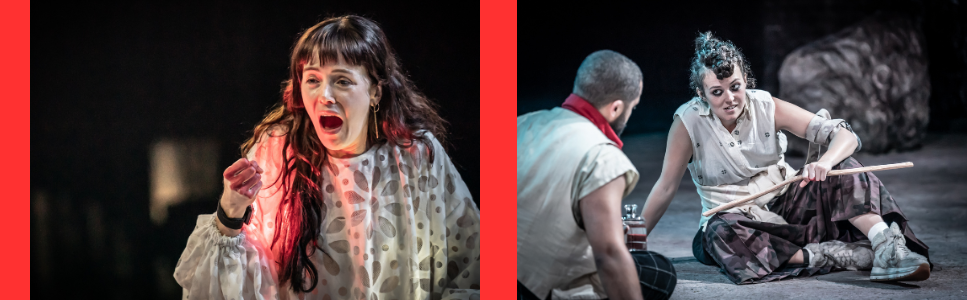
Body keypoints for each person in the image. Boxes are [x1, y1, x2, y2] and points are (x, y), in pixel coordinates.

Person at [174, 15, 481, 299]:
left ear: (375, 91)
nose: (325, 96)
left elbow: (471, 265)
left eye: (342, 81)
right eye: (313, 80)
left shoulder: (414, 154)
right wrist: (231, 211)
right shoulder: (278, 153)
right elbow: (234, 286)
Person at [639, 32, 930, 284]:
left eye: (736, 87)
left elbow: (845, 136)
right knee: (720, 232)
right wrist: (633, 244)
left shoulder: (766, 105)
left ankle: (886, 248)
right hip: (738, 221)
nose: (729, 98)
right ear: (701, 94)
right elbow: (665, 187)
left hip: (790, 208)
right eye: (717, 92)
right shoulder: (688, 122)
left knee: (845, 167)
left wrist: (825, 162)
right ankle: (827, 254)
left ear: (745, 81)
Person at [517, 50, 677, 300]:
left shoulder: (522, 123)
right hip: (537, 290)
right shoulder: (602, 156)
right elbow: (608, 255)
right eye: (632, 108)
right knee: (659, 272)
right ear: (616, 108)